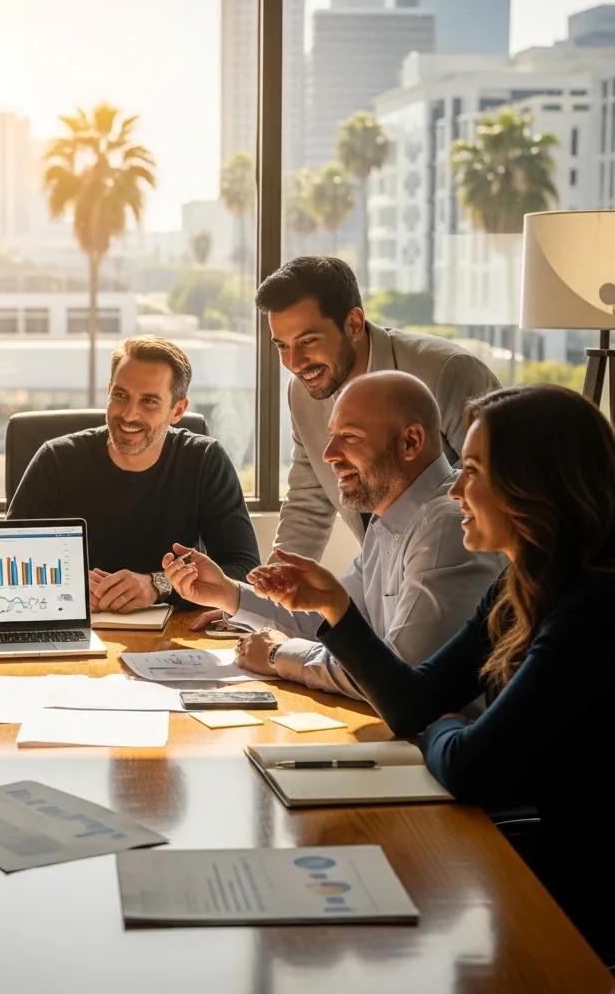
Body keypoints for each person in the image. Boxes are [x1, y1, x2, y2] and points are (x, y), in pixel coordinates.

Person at [247, 385, 614, 957]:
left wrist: (443, 727)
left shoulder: (591, 608)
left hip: (581, 886)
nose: (457, 489)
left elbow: (470, 766)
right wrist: (335, 610)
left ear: (534, 486)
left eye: (472, 471)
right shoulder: (516, 587)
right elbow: (412, 705)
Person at [163, 372, 504, 700]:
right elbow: (337, 623)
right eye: (332, 435)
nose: (328, 455)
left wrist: (278, 655)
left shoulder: (446, 529)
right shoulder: (391, 518)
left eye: (350, 437)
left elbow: (394, 676)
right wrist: (229, 593)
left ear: (410, 442)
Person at [261, 256, 499, 562]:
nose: (294, 363)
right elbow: (308, 502)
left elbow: (506, 486)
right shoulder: (303, 392)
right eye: (282, 346)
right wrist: (263, 602)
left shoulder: (446, 371)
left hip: (472, 578)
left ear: (354, 324)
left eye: (308, 341)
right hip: (382, 580)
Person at [8, 335, 259, 611]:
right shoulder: (55, 459)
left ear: (177, 410)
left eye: (149, 401)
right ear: (108, 391)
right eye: (120, 395)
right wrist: (68, 585)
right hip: (74, 622)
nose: (128, 415)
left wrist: (158, 585)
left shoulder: (204, 460)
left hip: (173, 635)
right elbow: (10, 557)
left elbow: (244, 569)